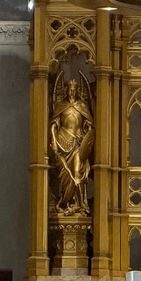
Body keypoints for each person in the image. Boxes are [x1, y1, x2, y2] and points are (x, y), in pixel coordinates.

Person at [50, 76, 95, 215]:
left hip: (78, 143)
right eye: (69, 90)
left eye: (74, 90)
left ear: (77, 91)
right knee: (65, 176)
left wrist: (88, 132)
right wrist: (54, 143)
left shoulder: (82, 106)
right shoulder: (60, 106)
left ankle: (81, 204)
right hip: (63, 142)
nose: (72, 93)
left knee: (76, 173)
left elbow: (90, 125)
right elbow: (53, 125)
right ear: (66, 90)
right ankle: (66, 202)